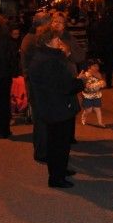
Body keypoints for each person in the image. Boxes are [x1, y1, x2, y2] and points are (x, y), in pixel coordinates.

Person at [28, 25, 85, 188]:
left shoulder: (47, 57)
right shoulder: (49, 61)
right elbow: (63, 86)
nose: (59, 41)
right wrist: (80, 82)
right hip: (56, 107)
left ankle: (60, 170)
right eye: (56, 38)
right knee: (58, 143)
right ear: (47, 41)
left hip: (54, 106)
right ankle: (56, 177)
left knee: (60, 142)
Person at [20, 11, 51, 162]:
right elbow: (38, 67)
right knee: (41, 121)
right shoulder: (33, 40)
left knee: (41, 121)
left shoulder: (29, 38)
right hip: (36, 86)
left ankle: (42, 151)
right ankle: (41, 153)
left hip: (35, 85)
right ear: (43, 24)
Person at [50, 11, 85, 144]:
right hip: (52, 78)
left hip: (68, 76)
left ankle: (69, 136)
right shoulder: (45, 37)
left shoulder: (70, 38)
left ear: (64, 25)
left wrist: (68, 52)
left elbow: (80, 56)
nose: (57, 24)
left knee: (71, 107)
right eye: (54, 21)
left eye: (60, 22)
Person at [80, 59, 106, 128]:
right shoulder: (86, 74)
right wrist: (80, 77)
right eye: (94, 66)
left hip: (97, 95)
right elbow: (80, 81)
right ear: (89, 67)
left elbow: (103, 83)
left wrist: (102, 83)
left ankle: (100, 122)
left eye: (97, 66)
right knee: (89, 110)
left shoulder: (98, 74)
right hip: (87, 96)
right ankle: (84, 116)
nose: (97, 67)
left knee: (98, 109)